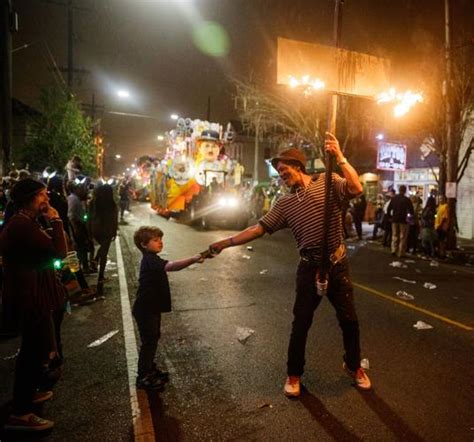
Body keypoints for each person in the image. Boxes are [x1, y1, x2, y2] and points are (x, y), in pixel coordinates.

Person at [208, 132, 371, 397]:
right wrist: (225, 243)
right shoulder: (283, 204)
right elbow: (258, 229)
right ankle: (294, 374)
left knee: (350, 321)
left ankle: (354, 367)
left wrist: (339, 156)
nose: (281, 175)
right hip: (309, 269)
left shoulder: (328, 182)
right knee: (301, 324)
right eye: (278, 172)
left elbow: (356, 188)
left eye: (283, 170)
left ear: (298, 166)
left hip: (337, 265)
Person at [0, 179, 67, 432]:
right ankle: (20, 412)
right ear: (29, 198)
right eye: (41, 195)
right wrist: (56, 220)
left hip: (33, 293)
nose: (46, 198)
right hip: (30, 297)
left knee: (35, 349)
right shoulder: (21, 225)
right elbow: (59, 252)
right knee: (31, 352)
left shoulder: (25, 221)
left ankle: (26, 397)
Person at [132, 226, 206, 390]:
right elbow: (172, 266)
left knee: (153, 338)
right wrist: (193, 259)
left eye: (161, 239)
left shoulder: (152, 258)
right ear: (144, 244)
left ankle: (149, 369)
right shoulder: (150, 260)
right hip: (146, 309)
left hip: (151, 308)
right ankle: (143, 376)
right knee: (149, 342)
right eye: (156, 240)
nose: (161, 243)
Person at [89, 184, 118, 294]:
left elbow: (89, 217)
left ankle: (96, 259)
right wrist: (114, 231)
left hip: (95, 228)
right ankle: (101, 276)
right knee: (104, 252)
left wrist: (89, 231)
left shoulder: (93, 202)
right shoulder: (112, 204)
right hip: (107, 229)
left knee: (102, 247)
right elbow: (114, 219)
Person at [387, 185, 414, 258]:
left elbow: (389, 209)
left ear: (399, 190)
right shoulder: (407, 200)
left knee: (395, 235)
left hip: (395, 219)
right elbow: (411, 211)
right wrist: (410, 220)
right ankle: (401, 252)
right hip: (403, 220)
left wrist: (390, 217)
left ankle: (393, 250)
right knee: (403, 236)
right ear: (405, 191)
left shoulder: (394, 199)